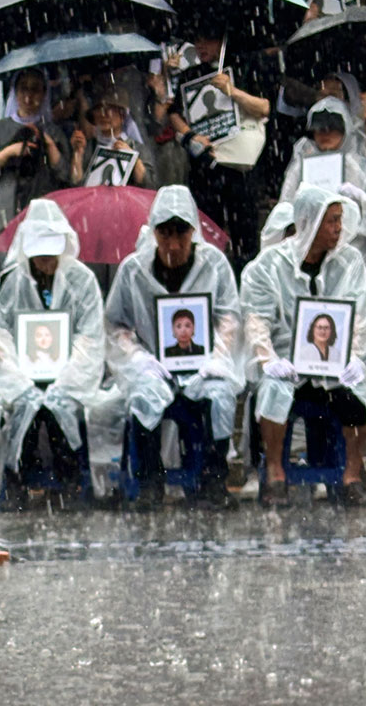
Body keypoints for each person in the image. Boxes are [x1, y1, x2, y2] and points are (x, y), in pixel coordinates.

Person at [105, 185, 244, 510]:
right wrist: (138, 358)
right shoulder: (133, 270)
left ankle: (213, 482)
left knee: (219, 396)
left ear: (193, 231)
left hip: (204, 363)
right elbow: (115, 325)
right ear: (154, 233)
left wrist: (217, 357)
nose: (173, 244)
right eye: (165, 234)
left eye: (181, 234)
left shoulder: (215, 265)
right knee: (145, 395)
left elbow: (230, 317)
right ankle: (150, 483)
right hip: (155, 364)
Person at [241, 185, 366, 508]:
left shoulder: (350, 261)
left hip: (334, 363)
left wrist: (354, 356)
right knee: (273, 392)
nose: (337, 228)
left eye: (340, 220)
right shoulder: (269, 265)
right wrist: (267, 358)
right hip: (288, 364)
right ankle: (275, 473)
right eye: (330, 221)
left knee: (359, 394)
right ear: (309, 222)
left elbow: (360, 313)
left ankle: (352, 476)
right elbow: (256, 318)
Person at [0, 199, 103, 511]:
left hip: (68, 374)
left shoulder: (82, 280)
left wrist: (65, 375)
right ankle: (18, 478)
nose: (47, 261)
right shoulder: (11, 280)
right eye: (40, 254)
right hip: (21, 373)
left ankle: (69, 480)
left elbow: (89, 335)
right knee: (23, 404)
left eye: (51, 253)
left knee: (61, 404)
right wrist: (20, 377)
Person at [166, 30, 271, 269]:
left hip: (240, 165)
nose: (200, 46)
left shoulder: (244, 67)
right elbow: (174, 114)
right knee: (207, 231)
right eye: (197, 40)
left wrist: (232, 91)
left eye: (207, 39)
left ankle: (245, 278)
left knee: (245, 233)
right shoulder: (190, 75)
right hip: (206, 165)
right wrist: (192, 136)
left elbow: (264, 107)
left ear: (222, 40)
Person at [279, 96, 366, 319]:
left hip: (350, 252)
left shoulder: (361, 166)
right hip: (308, 255)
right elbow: (285, 208)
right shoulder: (300, 164)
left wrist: (355, 213)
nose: (325, 133)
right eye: (320, 129)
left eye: (332, 128)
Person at [0, 69, 70, 250]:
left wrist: (49, 145)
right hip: (5, 213)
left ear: (44, 93)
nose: (28, 97)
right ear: (15, 92)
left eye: (35, 90)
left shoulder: (54, 131)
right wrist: (8, 153)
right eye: (23, 89)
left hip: (41, 214)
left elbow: (65, 176)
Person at [69, 86, 157, 189]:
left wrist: (133, 158)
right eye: (99, 110)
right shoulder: (88, 147)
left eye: (110, 110)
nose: (104, 115)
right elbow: (75, 185)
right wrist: (78, 154)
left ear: (122, 115)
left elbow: (148, 186)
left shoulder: (137, 147)